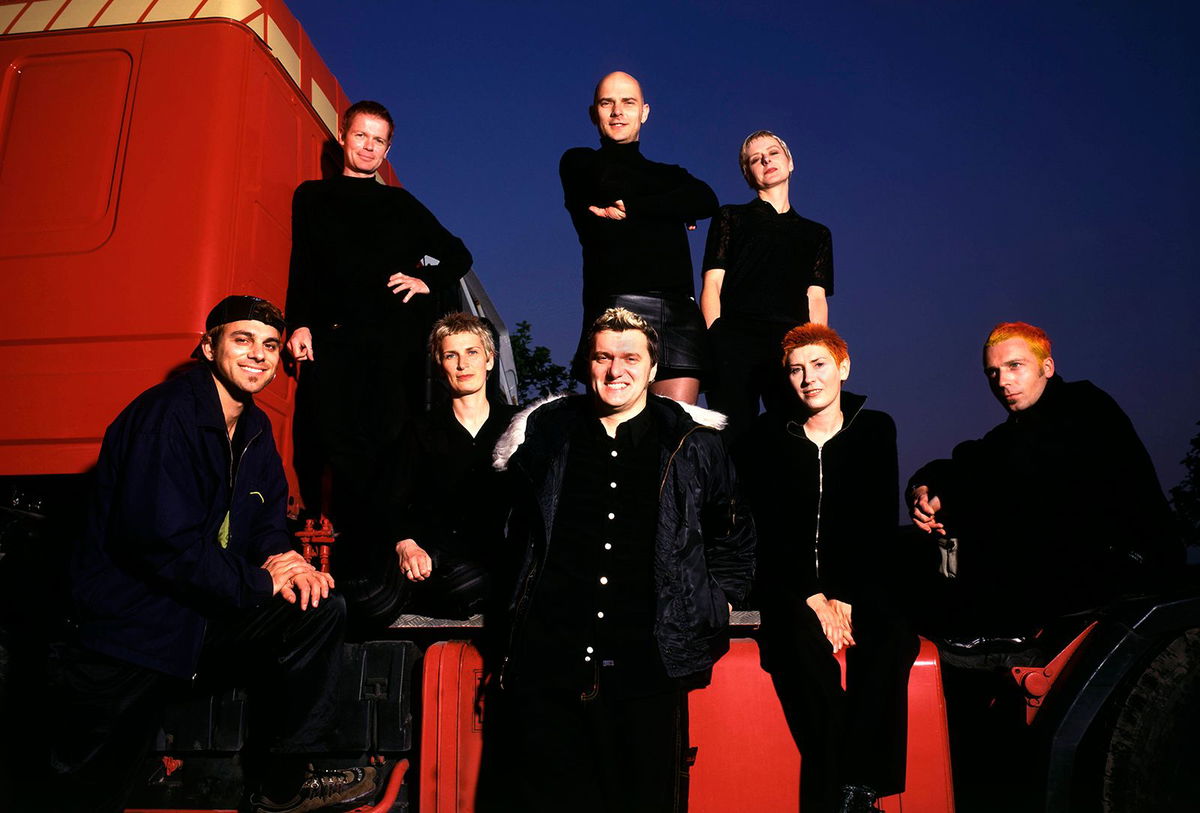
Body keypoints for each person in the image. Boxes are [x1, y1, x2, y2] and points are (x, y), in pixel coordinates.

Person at [49, 296, 376, 813]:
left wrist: (285, 561)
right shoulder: (165, 416)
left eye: (270, 345)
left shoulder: (254, 429)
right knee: (87, 789)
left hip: (199, 620)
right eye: (242, 340)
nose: (259, 355)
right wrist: (261, 582)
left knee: (317, 608)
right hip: (129, 631)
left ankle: (282, 788)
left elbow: (266, 523)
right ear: (208, 346)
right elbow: (161, 543)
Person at [480, 307, 755, 812]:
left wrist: (714, 603)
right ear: (587, 363)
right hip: (549, 662)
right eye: (602, 357)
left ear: (654, 370)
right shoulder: (546, 432)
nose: (615, 370)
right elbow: (504, 526)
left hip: (649, 663)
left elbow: (734, 536)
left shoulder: (694, 443)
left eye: (631, 357)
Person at [285, 100, 473, 568]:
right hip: (335, 340)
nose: (369, 146)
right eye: (361, 136)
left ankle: (394, 546)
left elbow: (457, 254)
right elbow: (303, 267)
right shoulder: (311, 197)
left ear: (388, 149)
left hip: (395, 345)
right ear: (344, 137)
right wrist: (298, 322)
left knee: (391, 444)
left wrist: (426, 281)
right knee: (335, 445)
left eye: (379, 140)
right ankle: (356, 557)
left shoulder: (400, 204)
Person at [739, 323, 918, 813]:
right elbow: (765, 528)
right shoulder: (766, 436)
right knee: (796, 642)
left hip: (859, 580)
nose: (808, 378)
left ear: (843, 366)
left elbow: (877, 518)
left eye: (818, 365)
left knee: (893, 637)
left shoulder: (876, 428)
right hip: (786, 583)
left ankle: (858, 786)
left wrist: (847, 595)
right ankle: (846, 783)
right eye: (796, 370)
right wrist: (813, 595)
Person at [908, 321, 1181, 638]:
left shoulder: (1085, 405)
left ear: (1047, 367)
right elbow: (970, 458)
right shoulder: (1014, 431)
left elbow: (1022, 469)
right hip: (1072, 571)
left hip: (1130, 567)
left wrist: (952, 498)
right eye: (992, 372)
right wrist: (925, 489)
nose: (1002, 381)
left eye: (1015, 366)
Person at [560, 71, 718, 404]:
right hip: (615, 304)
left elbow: (705, 199)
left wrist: (633, 207)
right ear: (594, 113)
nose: (617, 111)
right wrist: (672, 207)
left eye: (628, 103)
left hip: (679, 313)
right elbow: (608, 180)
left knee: (677, 436)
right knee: (614, 437)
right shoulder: (580, 162)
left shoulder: (670, 172)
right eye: (607, 103)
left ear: (644, 112)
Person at [372, 313, 517, 623]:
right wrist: (406, 544)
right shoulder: (420, 430)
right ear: (440, 365)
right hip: (432, 561)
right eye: (451, 355)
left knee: (484, 584)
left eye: (472, 352)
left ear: (490, 360)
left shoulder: (516, 426)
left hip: (492, 562)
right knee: (370, 601)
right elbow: (391, 500)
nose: (462, 364)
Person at [701, 130, 833, 438]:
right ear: (749, 174)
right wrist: (714, 338)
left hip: (792, 344)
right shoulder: (730, 217)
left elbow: (816, 297)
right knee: (732, 435)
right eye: (755, 159)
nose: (766, 160)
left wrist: (818, 353)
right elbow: (712, 284)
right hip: (735, 339)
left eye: (773, 153)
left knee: (791, 435)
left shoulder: (817, 234)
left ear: (790, 162)